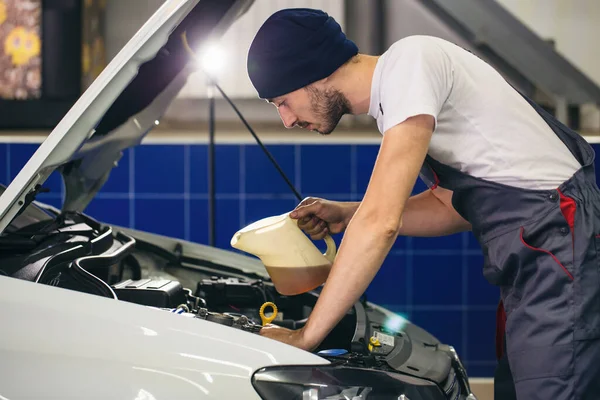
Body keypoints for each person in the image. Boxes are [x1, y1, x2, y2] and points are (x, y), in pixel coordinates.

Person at [246, 8, 600, 400]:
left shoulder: (409, 65)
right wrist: (348, 214)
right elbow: (451, 206)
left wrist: (306, 336)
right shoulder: (404, 89)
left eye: (283, 101)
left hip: (560, 252)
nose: (286, 120)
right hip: (539, 263)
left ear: (314, 71)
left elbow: (381, 224)